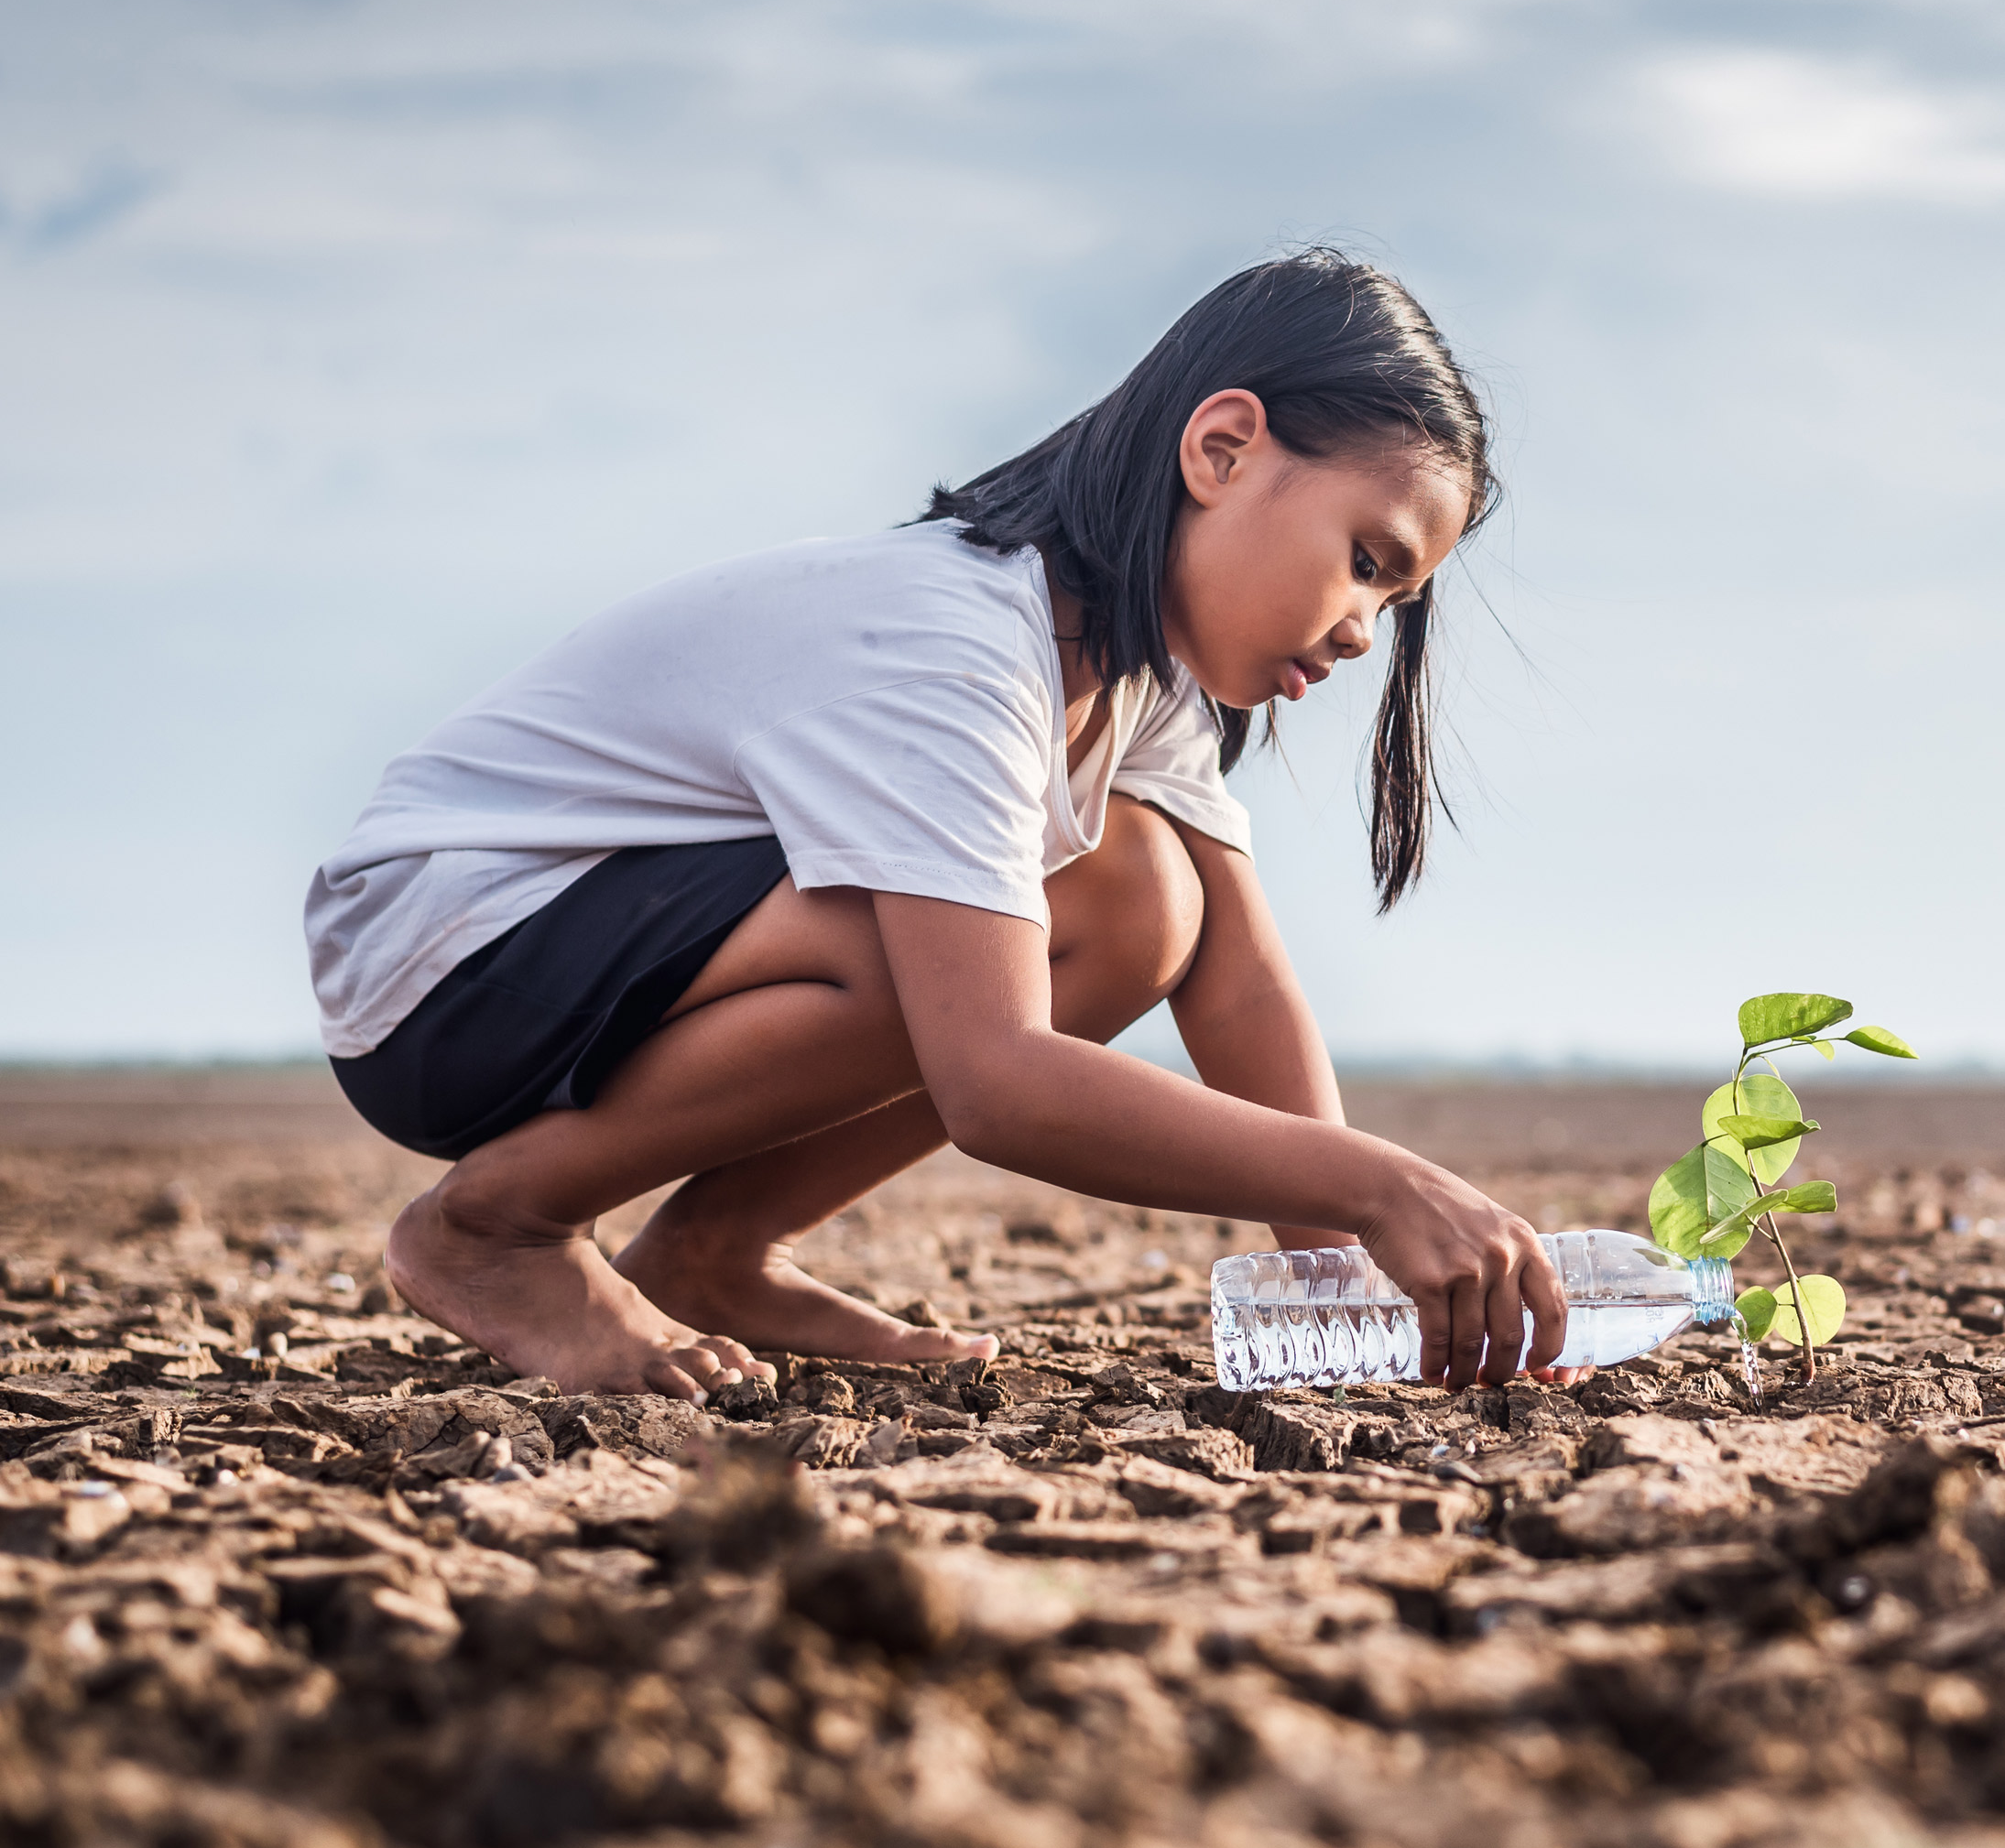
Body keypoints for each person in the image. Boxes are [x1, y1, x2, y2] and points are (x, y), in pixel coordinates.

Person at [303, 251, 1565, 1399]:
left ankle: (713, 1249)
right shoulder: (958, 642)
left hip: (590, 947)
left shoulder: (1134, 676)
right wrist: (1384, 1185)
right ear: (1222, 451)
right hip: (451, 956)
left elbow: (1240, 990)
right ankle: (498, 1227)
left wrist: (1346, 1294)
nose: (1363, 629)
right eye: (1367, 560)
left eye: (1394, 602)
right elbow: (997, 1082)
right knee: (929, 934)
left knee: (1141, 899)